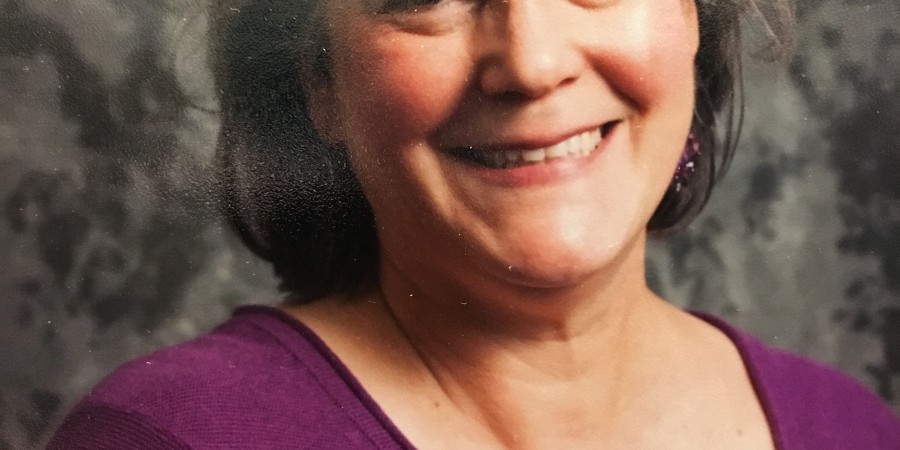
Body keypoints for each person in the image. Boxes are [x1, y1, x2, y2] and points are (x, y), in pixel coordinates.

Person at [49, 0, 899, 448]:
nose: (531, 62)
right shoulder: (168, 439)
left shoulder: (852, 431)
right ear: (319, 83)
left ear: (692, 24)